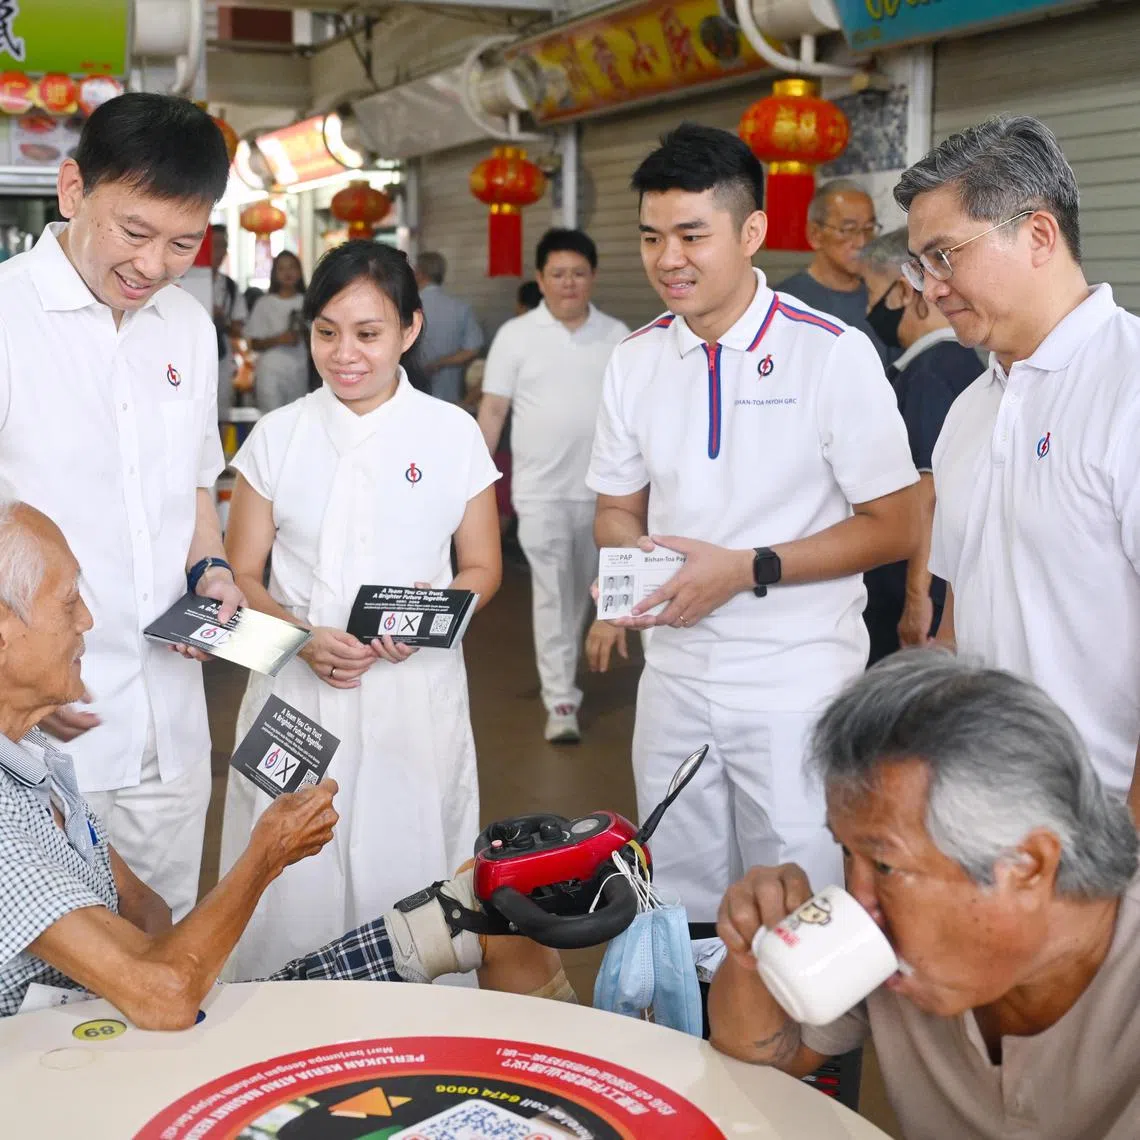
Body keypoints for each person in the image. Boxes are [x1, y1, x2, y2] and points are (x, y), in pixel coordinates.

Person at [0, 496, 571, 1023]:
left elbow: (145, 908)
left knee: (498, 912)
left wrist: (130, 966)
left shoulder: (36, 753)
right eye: (70, 601)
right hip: (110, 1043)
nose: (88, 622)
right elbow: (163, 996)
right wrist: (264, 857)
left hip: (149, 1005)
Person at [585, 122, 919, 924]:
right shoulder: (635, 360)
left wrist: (744, 568)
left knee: (800, 903)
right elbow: (614, 509)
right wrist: (634, 562)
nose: (670, 259)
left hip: (795, 681)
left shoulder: (830, 354)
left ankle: (802, 1053)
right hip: (674, 682)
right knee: (684, 900)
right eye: (653, 237)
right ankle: (700, 1045)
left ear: (753, 231)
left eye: (693, 236)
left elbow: (897, 523)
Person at [710, 650, 1140, 1140]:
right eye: (848, 853)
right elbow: (764, 1058)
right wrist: (756, 944)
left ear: (1028, 866)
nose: (858, 899)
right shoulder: (886, 945)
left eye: (886, 865)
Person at [219, 240, 502, 979]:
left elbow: (482, 565)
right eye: (326, 332)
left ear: (410, 330)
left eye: (368, 334)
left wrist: (428, 618)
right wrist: (302, 636)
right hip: (296, 690)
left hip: (412, 690)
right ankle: (278, 1044)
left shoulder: (450, 435)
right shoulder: (278, 438)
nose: (345, 354)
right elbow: (241, 575)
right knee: (288, 883)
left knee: (407, 873)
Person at [0, 92, 242, 921]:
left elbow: (195, 486)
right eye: (134, 233)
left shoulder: (185, 328)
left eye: (184, 242)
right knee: (40, 1002)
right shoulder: (6, 319)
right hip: (37, 733)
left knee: (160, 939)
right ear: (71, 191)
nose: (154, 265)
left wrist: (211, 571)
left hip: (170, 724)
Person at [894, 114, 1140, 812]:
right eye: (920, 264)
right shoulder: (971, 411)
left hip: (1102, 813)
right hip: (984, 800)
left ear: (1038, 235)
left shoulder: (1129, 388)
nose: (931, 287)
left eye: (945, 255)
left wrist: (1125, 851)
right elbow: (956, 623)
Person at [478, 229, 629, 743]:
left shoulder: (617, 336)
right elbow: (494, 410)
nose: (569, 284)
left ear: (593, 278)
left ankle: (565, 675)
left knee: (581, 595)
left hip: (604, 497)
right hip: (539, 493)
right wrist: (476, 486)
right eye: (558, 274)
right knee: (550, 594)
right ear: (541, 279)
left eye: (579, 274)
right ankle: (560, 698)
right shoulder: (516, 337)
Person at [857, 229, 983, 663]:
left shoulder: (928, 374)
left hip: (914, 593)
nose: (870, 309)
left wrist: (916, 597)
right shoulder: (957, 365)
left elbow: (928, 493)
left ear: (911, 291)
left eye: (873, 293)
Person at [777, 179, 893, 365]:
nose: (861, 242)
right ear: (815, 234)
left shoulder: (885, 298)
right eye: (848, 230)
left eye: (869, 229)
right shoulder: (785, 303)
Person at [414, 251, 483, 404]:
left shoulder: (407, 308)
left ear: (420, 273)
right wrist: (440, 363)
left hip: (412, 395)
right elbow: (472, 349)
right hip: (450, 397)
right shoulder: (461, 308)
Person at [245, 250, 308, 414]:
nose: (288, 272)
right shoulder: (264, 303)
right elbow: (253, 343)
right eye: (282, 268)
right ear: (274, 273)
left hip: (298, 369)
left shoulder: (308, 302)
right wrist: (279, 339)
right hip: (270, 370)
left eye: (292, 267)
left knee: (296, 420)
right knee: (271, 419)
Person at [211, 223, 247, 418]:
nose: (219, 252)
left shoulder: (230, 287)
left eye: (223, 246)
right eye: (214, 245)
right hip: (186, 350)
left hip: (222, 355)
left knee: (220, 409)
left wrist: (221, 319)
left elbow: (238, 328)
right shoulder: (184, 280)